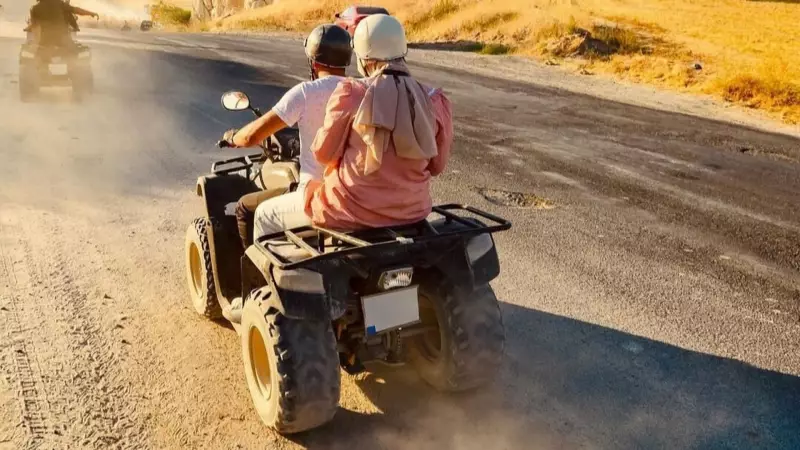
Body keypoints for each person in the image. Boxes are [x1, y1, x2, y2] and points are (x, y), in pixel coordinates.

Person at [293, 14, 453, 235]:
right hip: (412, 214)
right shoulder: (435, 100)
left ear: (363, 57)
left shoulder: (351, 93)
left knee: (264, 215)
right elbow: (437, 166)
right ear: (402, 50)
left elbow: (324, 154)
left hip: (347, 212)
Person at [221, 24, 353, 249]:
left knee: (250, 209)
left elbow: (251, 136)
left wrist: (233, 137)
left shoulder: (306, 92)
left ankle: (256, 280)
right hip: (356, 194)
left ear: (313, 60)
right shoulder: (362, 90)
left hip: (318, 197)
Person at [25, 0, 98, 47]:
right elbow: (76, 10)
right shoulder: (59, 4)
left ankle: (43, 69)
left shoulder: (35, 8)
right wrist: (90, 13)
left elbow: (34, 25)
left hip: (46, 40)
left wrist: (28, 28)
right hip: (62, 38)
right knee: (74, 54)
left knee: (41, 60)